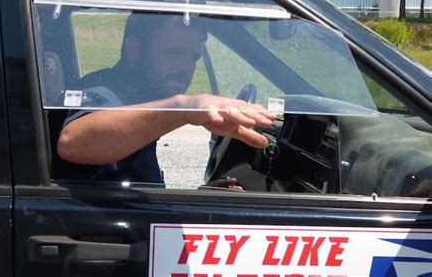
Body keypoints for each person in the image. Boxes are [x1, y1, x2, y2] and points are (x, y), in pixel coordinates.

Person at [55, 12, 276, 185]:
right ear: (134, 50)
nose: (186, 68)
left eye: (193, 57)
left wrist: (199, 199)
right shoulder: (106, 89)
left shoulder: (144, 97)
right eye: (174, 53)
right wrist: (184, 106)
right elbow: (72, 143)